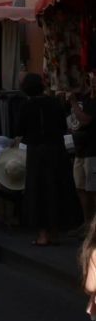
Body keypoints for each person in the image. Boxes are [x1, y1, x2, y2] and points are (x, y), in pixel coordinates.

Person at [17, 73, 81, 246]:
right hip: (56, 151)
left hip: (36, 152)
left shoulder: (25, 106)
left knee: (38, 190)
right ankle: (54, 232)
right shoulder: (54, 104)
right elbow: (62, 125)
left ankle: (42, 234)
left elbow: (21, 129)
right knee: (56, 188)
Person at [70, 73, 96, 232]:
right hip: (80, 149)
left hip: (93, 149)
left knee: (92, 189)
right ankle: (87, 223)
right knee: (81, 187)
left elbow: (85, 119)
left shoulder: (92, 100)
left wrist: (73, 103)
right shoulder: (81, 97)